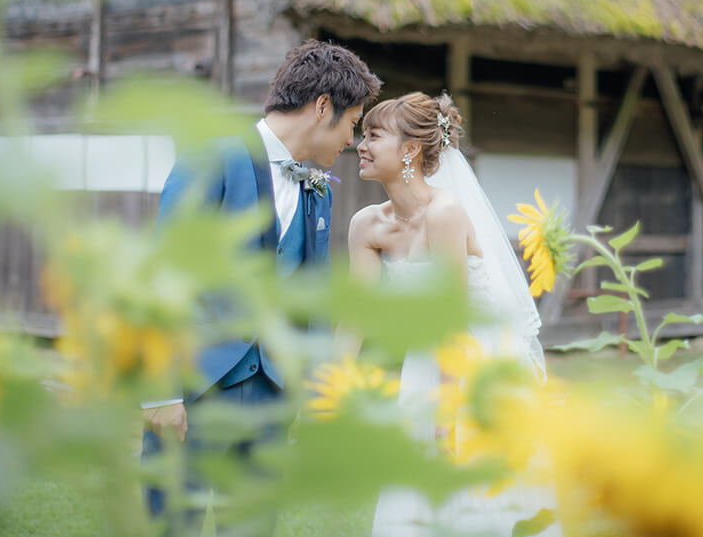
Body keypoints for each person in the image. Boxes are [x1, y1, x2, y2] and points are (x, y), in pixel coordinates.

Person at [143, 39, 382, 526]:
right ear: (322, 108)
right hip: (194, 392)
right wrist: (160, 393)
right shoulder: (211, 159)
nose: (352, 141)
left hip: (270, 404)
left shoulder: (319, 191)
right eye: (352, 124)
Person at [348, 92, 559, 537]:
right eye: (361, 135)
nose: (359, 145)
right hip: (426, 361)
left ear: (409, 150)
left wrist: (446, 420)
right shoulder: (366, 225)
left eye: (373, 135)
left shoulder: (444, 213)